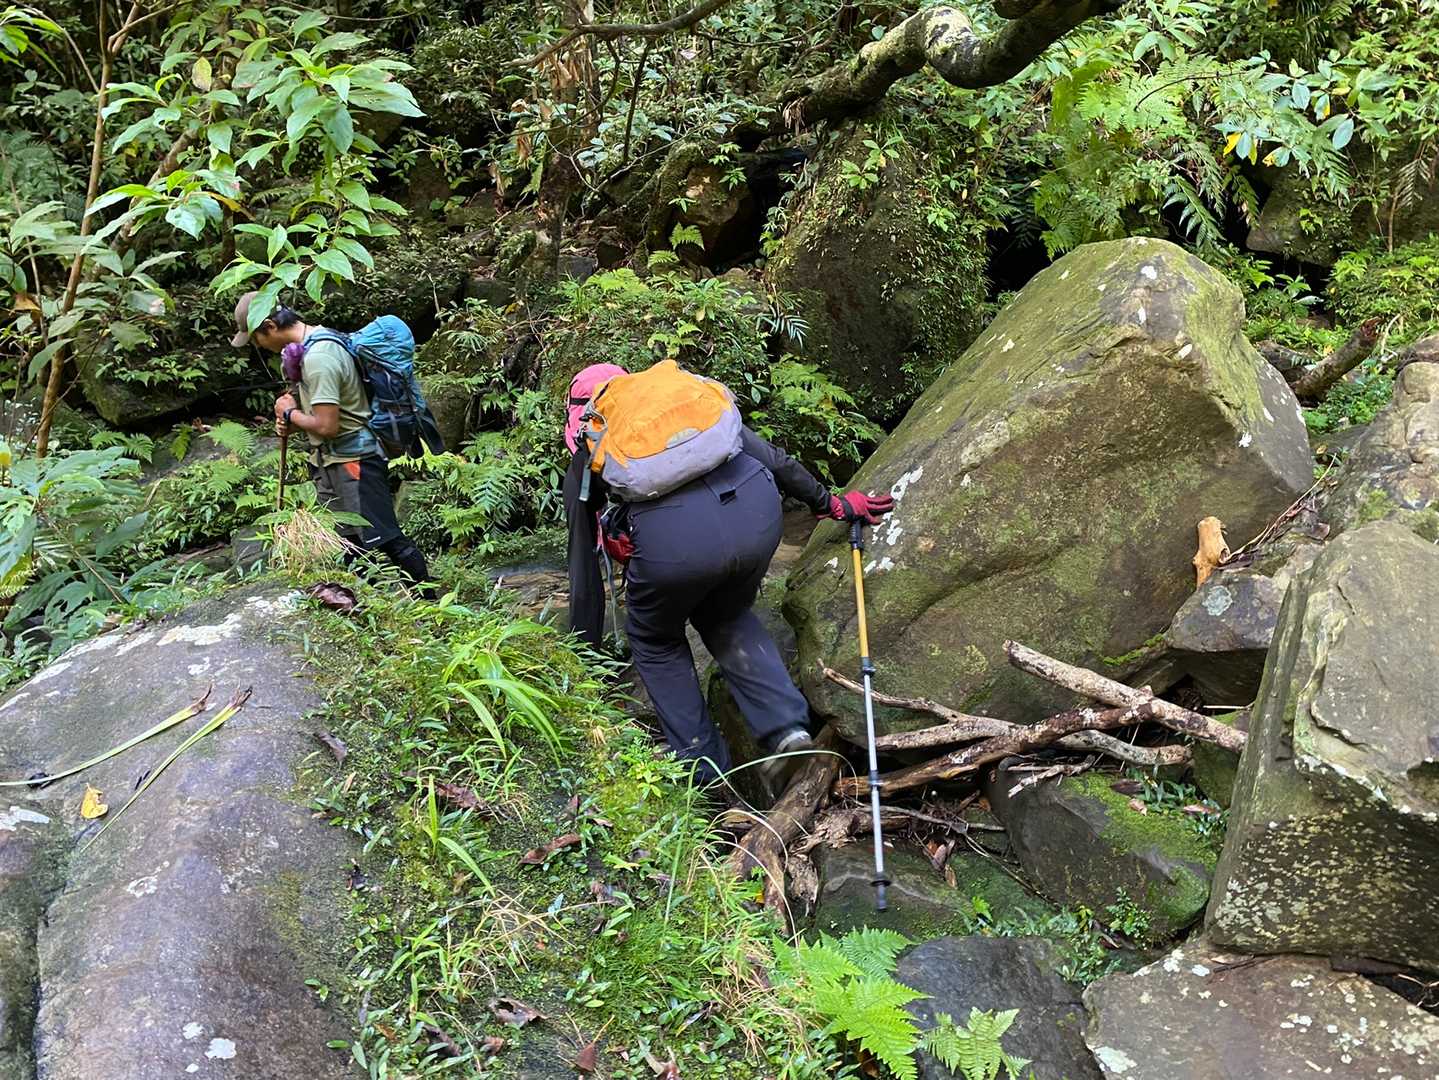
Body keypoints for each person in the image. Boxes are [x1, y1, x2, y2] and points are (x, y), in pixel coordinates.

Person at [563, 362, 894, 788]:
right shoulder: (683, 402)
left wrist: (581, 659)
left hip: (674, 546)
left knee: (655, 640)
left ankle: (705, 771)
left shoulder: (592, 436)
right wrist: (834, 505)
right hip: (759, 516)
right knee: (726, 613)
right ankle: (786, 730)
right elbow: (772, 458)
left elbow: (584, 571)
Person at [229, 291, 432, 590]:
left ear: (270, 326)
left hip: (355, 461)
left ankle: (431, 603)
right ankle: (371, 606)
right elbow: (324, 414)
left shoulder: (319, 358)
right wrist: (292, 417)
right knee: (348, 545)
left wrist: (290, 414)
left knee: (387, 539)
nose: (258, 346)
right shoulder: (309, 347)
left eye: (256, 339)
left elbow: (327, 426)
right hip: (331, 462)